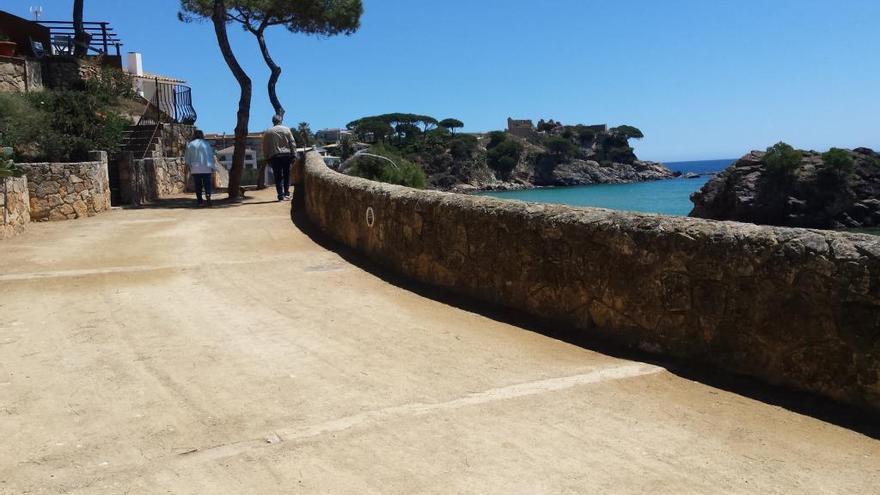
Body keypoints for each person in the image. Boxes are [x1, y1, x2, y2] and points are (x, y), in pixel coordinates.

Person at [262, 114, 298, 201]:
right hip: (287, 155)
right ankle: (286, 193)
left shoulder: (268, 132)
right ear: (280, 121)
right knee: (286, 175)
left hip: (275, 156)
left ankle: (280, 196)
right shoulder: (287, 130)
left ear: (273, 121)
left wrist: (267, 157)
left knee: (278, 176)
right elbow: (292, 143)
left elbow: (265, 146)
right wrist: (294, 155)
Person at [184, 130, 217, 207]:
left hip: (195, 167)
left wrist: (186, 167)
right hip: (206, 166)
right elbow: (211, 155)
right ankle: (208, 195)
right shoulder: (206, 144)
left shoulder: (190, 144)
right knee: (207, 184)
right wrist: (213, 167)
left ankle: (200, 202)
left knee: (198, 185)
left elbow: (187, 158)